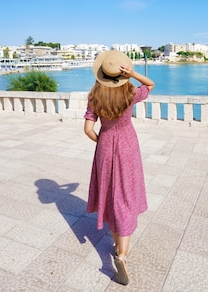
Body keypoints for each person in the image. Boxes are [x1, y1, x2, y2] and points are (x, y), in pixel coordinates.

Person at [83, 50, 155, 285]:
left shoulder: (94, 97)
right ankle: (121, 255)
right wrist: (133, 73)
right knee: (125, 193)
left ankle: (117, 243)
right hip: (127, 146)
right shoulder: (130, 93)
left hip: (105, 145)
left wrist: (102, 141)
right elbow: (151, 85)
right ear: (121, 75)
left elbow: (88, 130)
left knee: (111, 192)